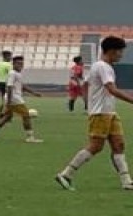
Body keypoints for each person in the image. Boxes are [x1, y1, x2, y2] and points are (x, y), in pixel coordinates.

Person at [56, 36, 133, 191]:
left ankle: (126, 181)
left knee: (119, 145)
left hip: (109, 112)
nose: (121, 55)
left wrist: (88, 103)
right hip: (100, 114)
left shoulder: (101, 66)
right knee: (96, 146)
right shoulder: (103, 66)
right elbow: (111, 89)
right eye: (119, 52)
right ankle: (66, 174)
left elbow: (85, 84)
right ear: (111, 51)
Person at [0, 56, 43, 143]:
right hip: (15, 99)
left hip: (12, 98)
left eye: (22, 64)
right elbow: (9, 87)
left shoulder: (17, 74)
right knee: (26, 116)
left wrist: (33, 93)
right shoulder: (12, 73)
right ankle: (30, 137)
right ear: (13, 64)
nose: (20, 65)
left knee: (7, 117)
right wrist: (9, 101)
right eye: (18, 63)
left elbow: (22, 86)